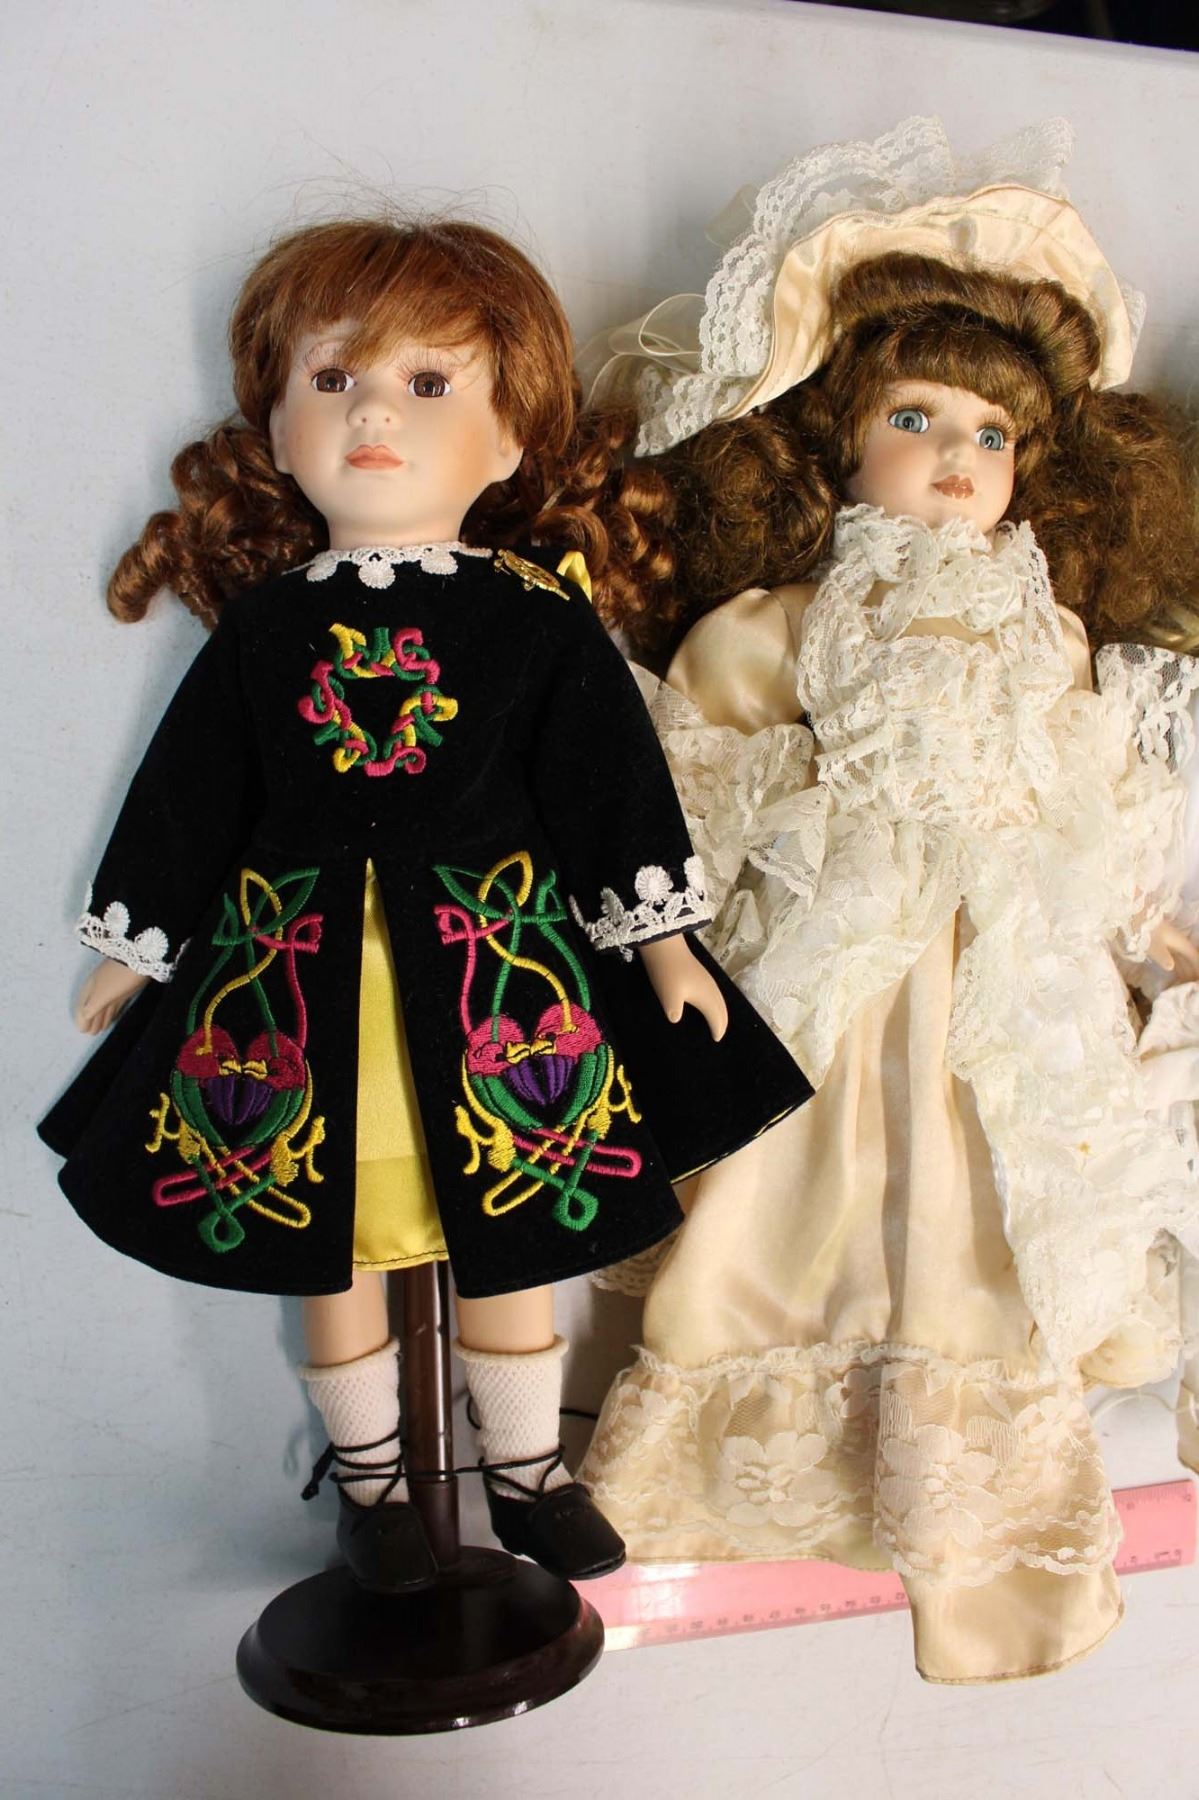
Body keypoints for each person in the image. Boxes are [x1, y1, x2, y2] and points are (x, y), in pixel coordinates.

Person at [37, 216, 809, 1595]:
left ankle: (527, 1471)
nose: (375, 414)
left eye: (430, 384)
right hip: (295, 979)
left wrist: (665, 945)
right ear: (277, 431)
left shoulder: (533, 618)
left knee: (520, 1216)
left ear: (509, 443)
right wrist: (138, 943)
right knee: (318, 1226)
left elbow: (607, 788)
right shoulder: (267, 628)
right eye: (333, 379)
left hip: (498, 971)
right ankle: (377, 1488)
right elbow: (191, 792)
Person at [581, 119, 1199, 1681]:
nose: (955, 457)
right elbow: (693, 788)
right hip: (841, 970)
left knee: (987, 1222)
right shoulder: (786, 624)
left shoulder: (1053, 636)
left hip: (1005, 975)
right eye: (915, 419)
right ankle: (720, 1489)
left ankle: (974, 1541)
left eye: (990, 434)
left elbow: (1088, 795)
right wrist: (674, 940)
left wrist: (1146, 927)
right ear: (841, 445)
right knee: (799, 1200)